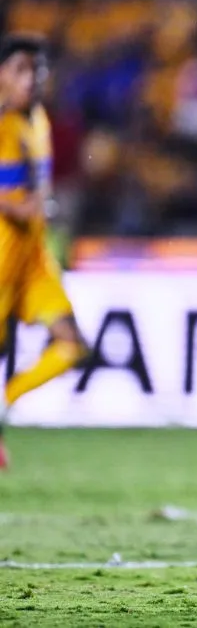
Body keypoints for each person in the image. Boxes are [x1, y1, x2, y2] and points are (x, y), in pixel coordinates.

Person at [0, 34, 89, 469]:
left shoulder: (39, 122)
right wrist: (18, 205)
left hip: (33, 256)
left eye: (37, 69)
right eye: (20, 68)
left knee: (70, 344)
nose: (31, 78)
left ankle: (5, 403)